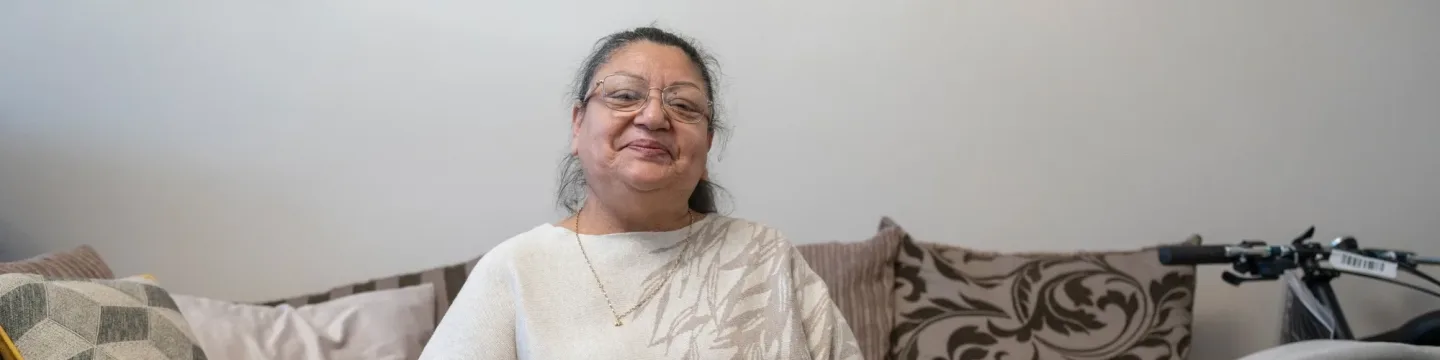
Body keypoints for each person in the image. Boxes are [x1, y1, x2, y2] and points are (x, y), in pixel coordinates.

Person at [419, 27, 862, 359]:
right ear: (578, 125)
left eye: (684, 105)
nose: (653, 117)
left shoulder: (765, 255)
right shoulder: (516, 268)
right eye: (625, 95)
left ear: (706, 145)